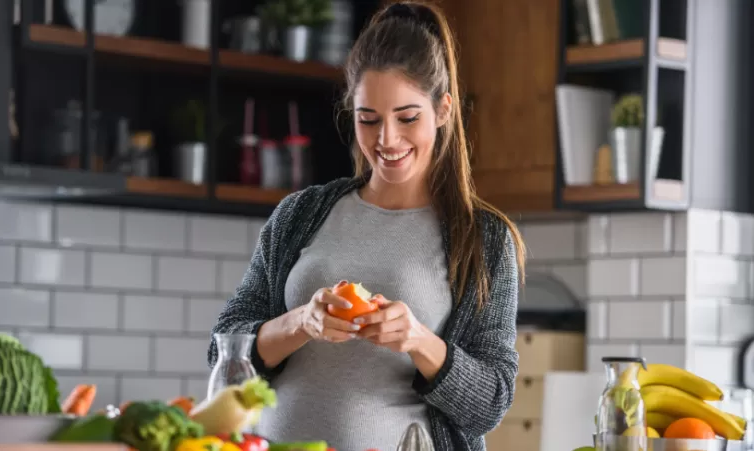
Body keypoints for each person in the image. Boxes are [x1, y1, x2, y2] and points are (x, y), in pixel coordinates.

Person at [207, 1, 526, 450]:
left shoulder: (484, 239)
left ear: (443, 110)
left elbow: (490, 402)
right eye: (368, 119)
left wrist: (418, 341)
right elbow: (224, 353)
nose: (386, 140)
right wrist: (303, 321)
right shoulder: (301, 215)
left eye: (407, 117)